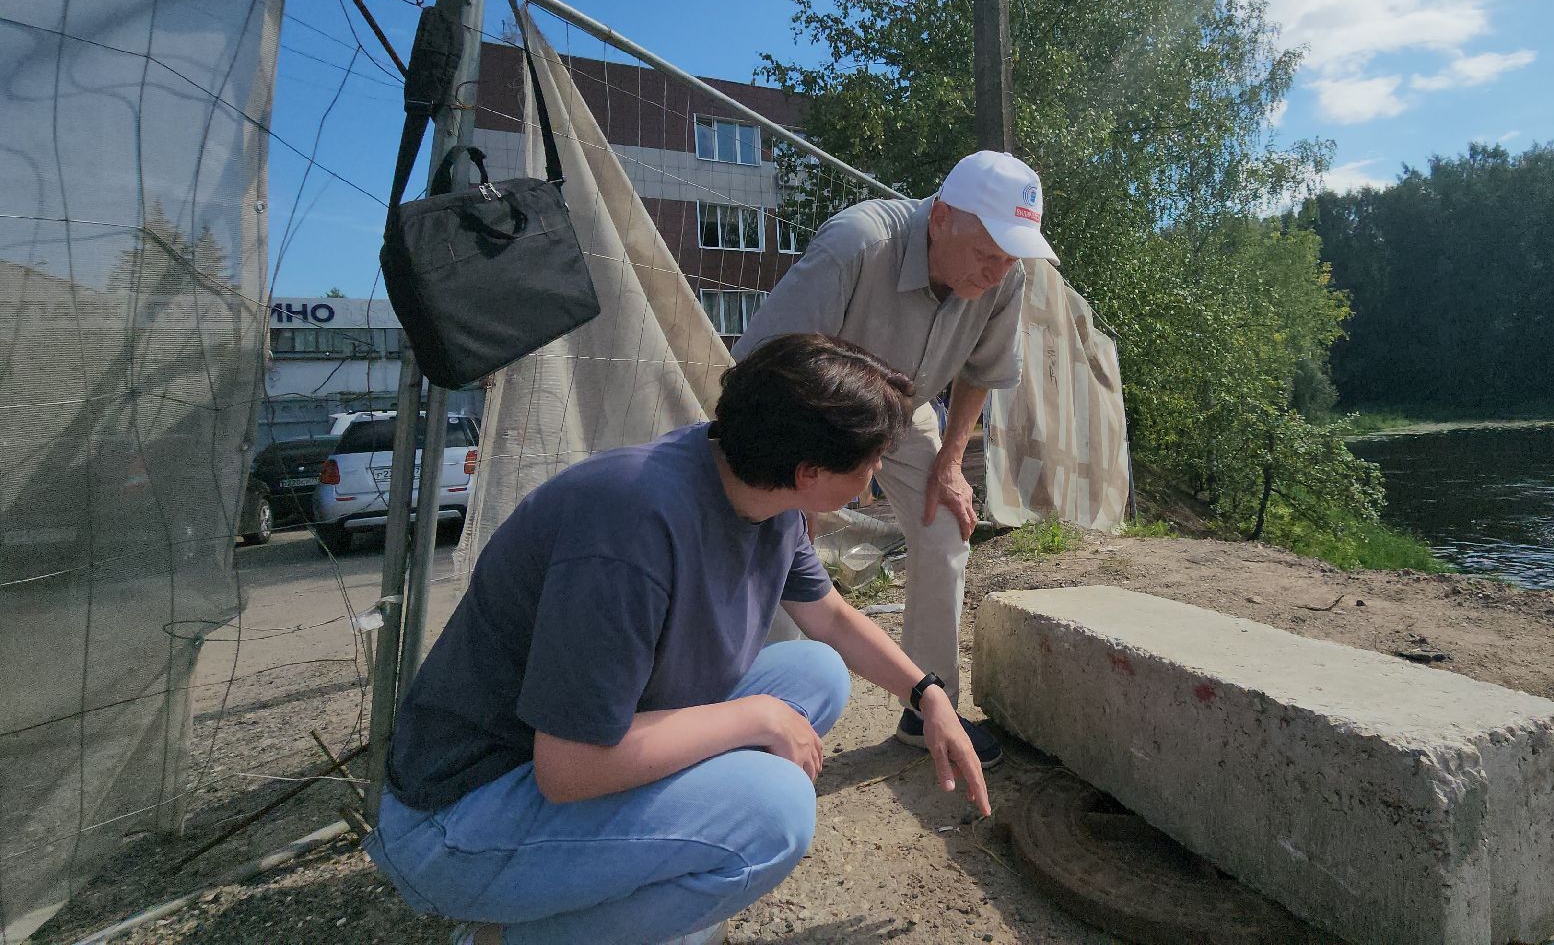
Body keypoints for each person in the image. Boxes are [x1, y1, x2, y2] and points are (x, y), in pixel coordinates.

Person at [363, 333, 992, 945]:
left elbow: (828, 615)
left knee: (815, 672)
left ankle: (659, 869)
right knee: (776, 814)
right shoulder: (629, 530)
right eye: (871, 461)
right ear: (809, 472)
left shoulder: (753, 487)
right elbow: (568, 768)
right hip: (460, 819)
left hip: (560, 758)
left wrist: (927, 693)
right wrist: (759, 717)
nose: (879, 472)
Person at [734, 150, 1055, 769]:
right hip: (811, 409)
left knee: (944, 525)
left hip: (905, 413)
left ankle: (927, 710)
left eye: (1010, 255)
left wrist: (951, 464)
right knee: (779, 540)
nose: (996, 271)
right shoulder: (857, 244)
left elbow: (981, 372)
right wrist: (799, 478)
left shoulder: (1005, 274)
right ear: (940, 218)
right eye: (987, 252)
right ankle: (775, 717)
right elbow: (764, 368)